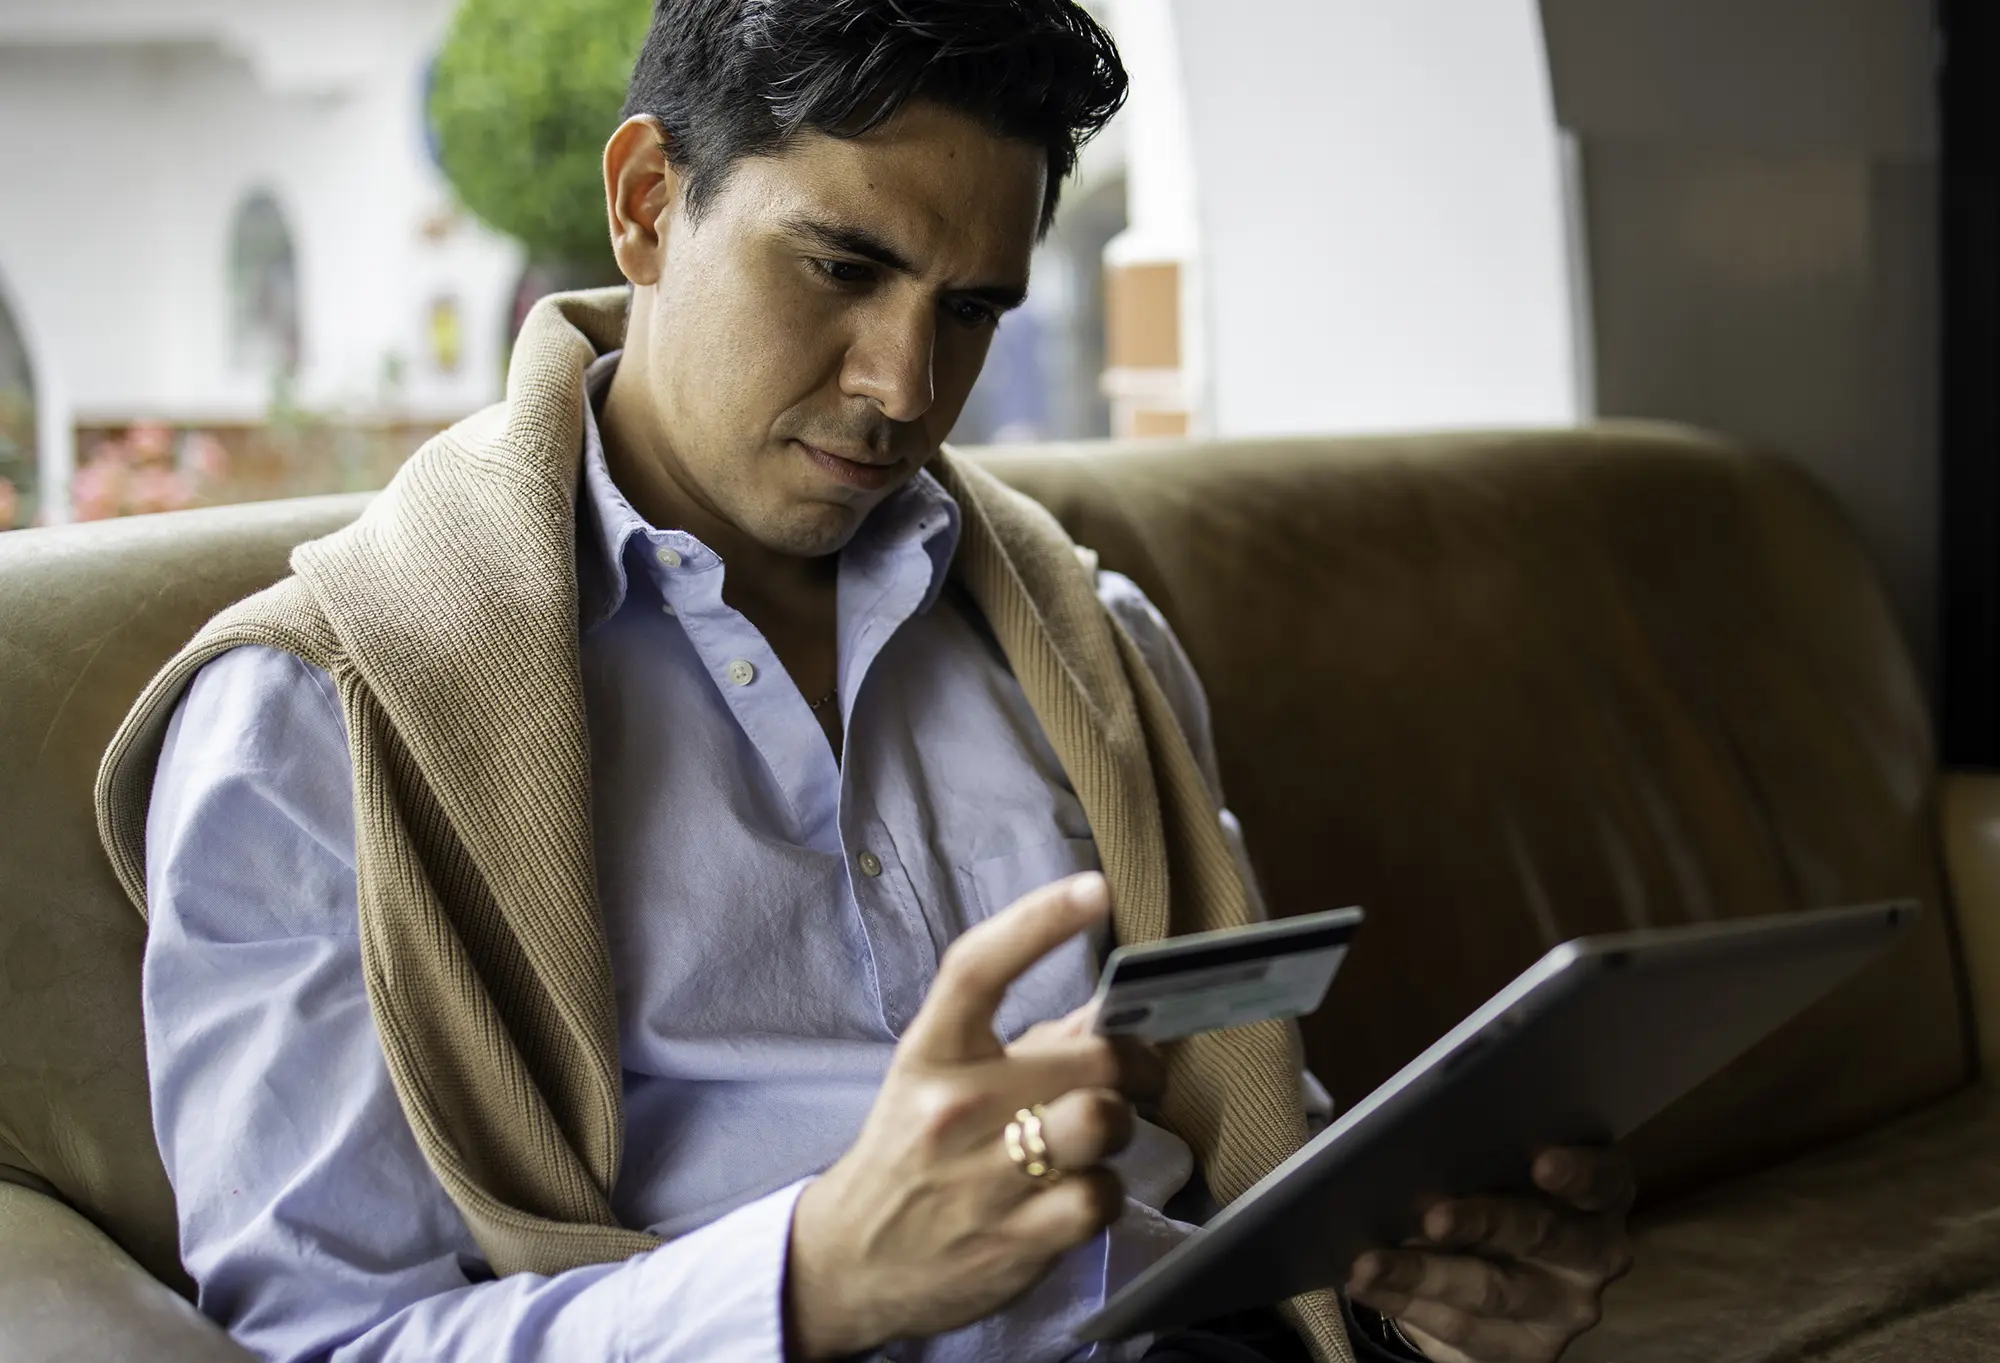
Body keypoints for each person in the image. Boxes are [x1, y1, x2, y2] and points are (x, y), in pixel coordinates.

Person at [101, 2, 1633, 1360]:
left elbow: (1243, 1118)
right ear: (646, 203)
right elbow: (329, 1335)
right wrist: (810, 1280)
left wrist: (1422, 1295)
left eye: (972, 309)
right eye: (844, 265)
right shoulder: (311, 719)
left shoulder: (1094, 642)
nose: (906, 385)